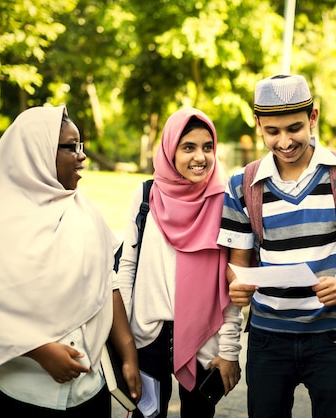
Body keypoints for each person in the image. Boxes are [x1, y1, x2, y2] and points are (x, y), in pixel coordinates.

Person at [0, 106, 141, 417]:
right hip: (20, 390)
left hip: (90, 388)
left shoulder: (83, 211)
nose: (82, 156)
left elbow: (108, 281)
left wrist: (128, 354)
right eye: (70, 146)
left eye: (81, 145)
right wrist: (41, 352)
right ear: (36, 151)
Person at [217, 74, 336, 418]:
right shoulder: (242, 184)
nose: (284, 141)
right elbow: (236, 264)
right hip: (268, 338)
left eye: (294, 128)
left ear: (313, 118)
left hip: (331, 337)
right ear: (258, 125)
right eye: (272, 131)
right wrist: (237, 286)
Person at [117, 108, 242, 418]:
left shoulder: (225, 200)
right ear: (170, 149)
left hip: (204, 337)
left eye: (207, 147)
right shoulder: (147, 195)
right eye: (188, 147)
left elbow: (232, 283)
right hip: (148, 335)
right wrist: (125, 342)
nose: (200, 157)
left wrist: (229, 350)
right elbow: (127, 268)